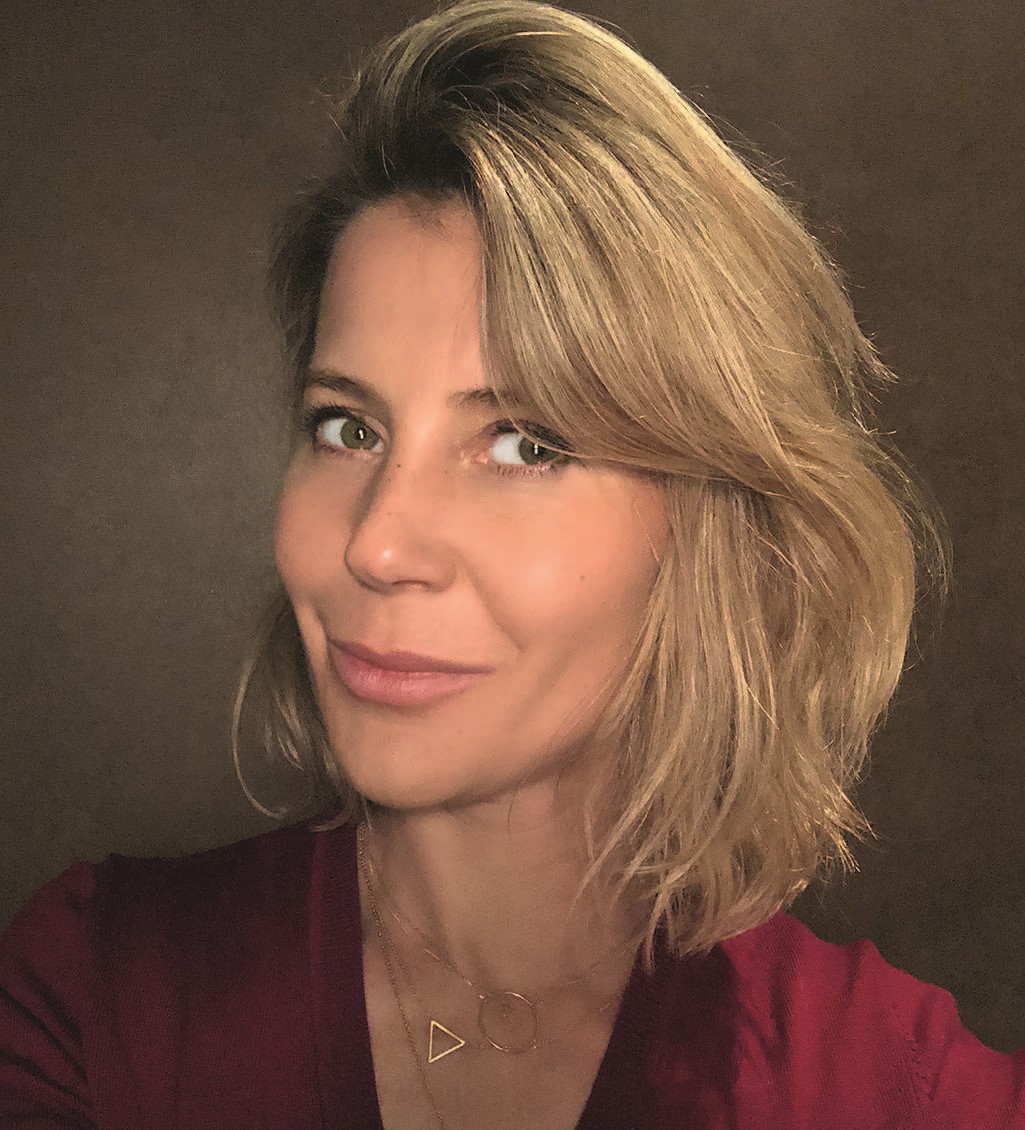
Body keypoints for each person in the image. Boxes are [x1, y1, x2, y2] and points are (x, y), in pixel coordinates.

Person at [1, 1, 1022, 1126]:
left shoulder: (886, 1087)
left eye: (525, 443)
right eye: (347, 427)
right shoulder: (94, 1000)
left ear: (716, 521)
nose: (376, 543)